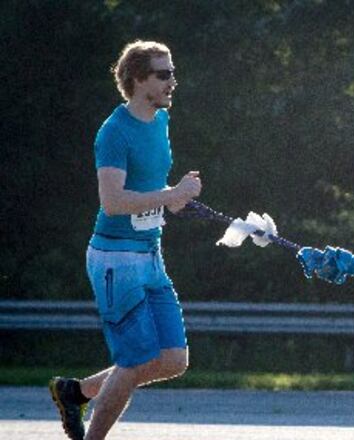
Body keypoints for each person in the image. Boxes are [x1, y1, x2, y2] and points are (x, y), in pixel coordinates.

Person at [48, 40, 201, 440]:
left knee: (173, 358)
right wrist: (169, 196)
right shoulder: (114, 132)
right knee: (133, 361)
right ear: (137, 80)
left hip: (151, 254)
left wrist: (174, 199)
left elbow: (148, 188)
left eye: (172, 73)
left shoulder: (160, 122)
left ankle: (75, 392)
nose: (173, 82)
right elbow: (113, 202)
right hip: (115, 259)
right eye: (163, 74)